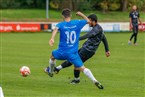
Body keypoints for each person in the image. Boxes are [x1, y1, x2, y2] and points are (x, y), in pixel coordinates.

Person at [45, 8, 104, 89]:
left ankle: (51, 72)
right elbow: (88, 21)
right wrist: (81, 14)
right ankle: (95, 80)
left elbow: (55, 29)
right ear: (71, 15)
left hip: (62, 52)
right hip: (73, 54)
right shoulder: (77, 23)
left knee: (52, 56)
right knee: (83, 68)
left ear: (63, 16)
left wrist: (52, 38)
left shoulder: (61, 24)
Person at [54, 14, 110, 84]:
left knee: (74, 61)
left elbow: (89, 35)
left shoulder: (97, 29)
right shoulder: (98, 28)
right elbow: (104, 38)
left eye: (89, 20)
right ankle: (61, 70)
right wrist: (107, 50)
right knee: (73, 60)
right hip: (85, 48)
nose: (88, 22)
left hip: (88, 50)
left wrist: (77, 39)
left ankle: (60, 70)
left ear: (94, 21)